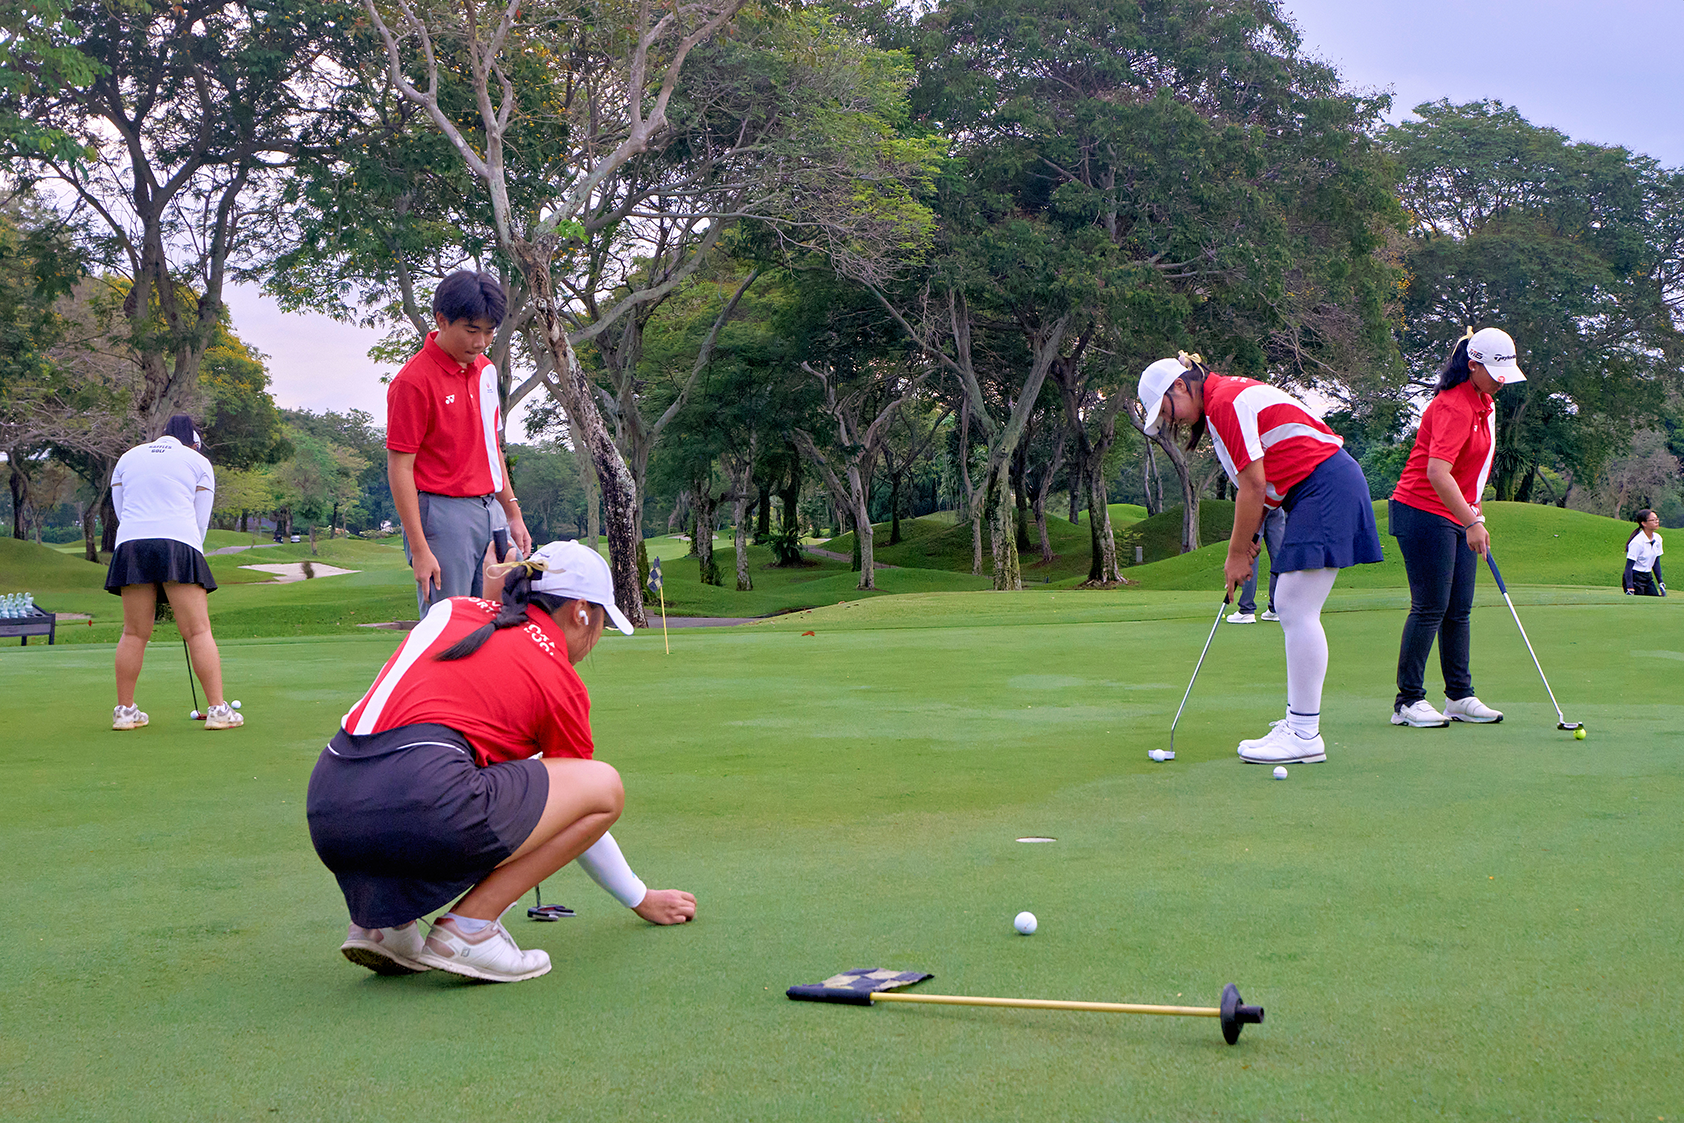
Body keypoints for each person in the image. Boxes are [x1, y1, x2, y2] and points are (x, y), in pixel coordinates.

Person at [306, 540, 695, 983]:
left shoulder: (450, 611)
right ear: (581, 611)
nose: (597, 637)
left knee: (458, 778)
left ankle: (384, 926)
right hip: (422, 801)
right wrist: (639, 897)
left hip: (329, 807)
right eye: (602, 621)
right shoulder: (558, 678)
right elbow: (581, 806)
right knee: (603, 786)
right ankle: (470, 929)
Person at [1137, 351, 1383, 765]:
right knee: (1292, 605)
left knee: (1293, 606)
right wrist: (1250, 541)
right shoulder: (1223, 401)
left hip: (1325, 486)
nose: (1172, 422)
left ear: (1180, 386)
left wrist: (1236, 555)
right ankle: (1298, 724)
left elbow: (1252, 485)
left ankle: (1304, 732)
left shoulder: (1225, 403)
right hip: (1317, 487)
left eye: (1167, 411)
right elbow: (1266, 487)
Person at [1387, 327, 1525, 729]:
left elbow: (1473, 474)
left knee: (1458, 610)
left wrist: (1474, 516)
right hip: (1421, 510)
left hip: (1458, 513)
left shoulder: (1485, 405)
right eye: (1495, 371)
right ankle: (1407, 701)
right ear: (1472, 365)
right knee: (1431, 606)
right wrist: (1471, 520)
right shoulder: (1453, 406)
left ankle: (1459, 696)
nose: (1502, 381)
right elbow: (1437, 472)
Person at [387, 270, 533, 618]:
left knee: (499, 618)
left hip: (491, 511)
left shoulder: (484, 371)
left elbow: (491, 448)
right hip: (443, 515)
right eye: (471, 330)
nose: (481, 341)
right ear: (441, 320)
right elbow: (400, 467)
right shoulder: (413, 381)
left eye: (488, 331)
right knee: (449, 624)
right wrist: (420, 550)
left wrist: (512, 512)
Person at [104, 415, 242, 731]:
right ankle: (219, 711)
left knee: (134, 632)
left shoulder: (128, 457)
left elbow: (121, 507)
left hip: (131, 545)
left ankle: (125, 712)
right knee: (197, 631)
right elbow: (200, 520)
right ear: (193, 442)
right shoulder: (198, 461)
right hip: (179, 542)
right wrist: (190, 556)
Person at [1228, 506, 1286, 624]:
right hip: (1276, 506)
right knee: (1279, 556)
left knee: (1250, 554)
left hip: (1254, 506)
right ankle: (1276, 608)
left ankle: (1246, 609)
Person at [1623, 509, 1665, 596]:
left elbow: (1656, 562)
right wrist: (1630, 587)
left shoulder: (1658, 539)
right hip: (1635, 578)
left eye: (1657, 519)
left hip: (1648, 577)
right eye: (1653, 520)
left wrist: (1660, 582)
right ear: (1644, 523)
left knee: (1655, 602)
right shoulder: (1637, 542)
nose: (1656, 522)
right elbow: (1628, 567)